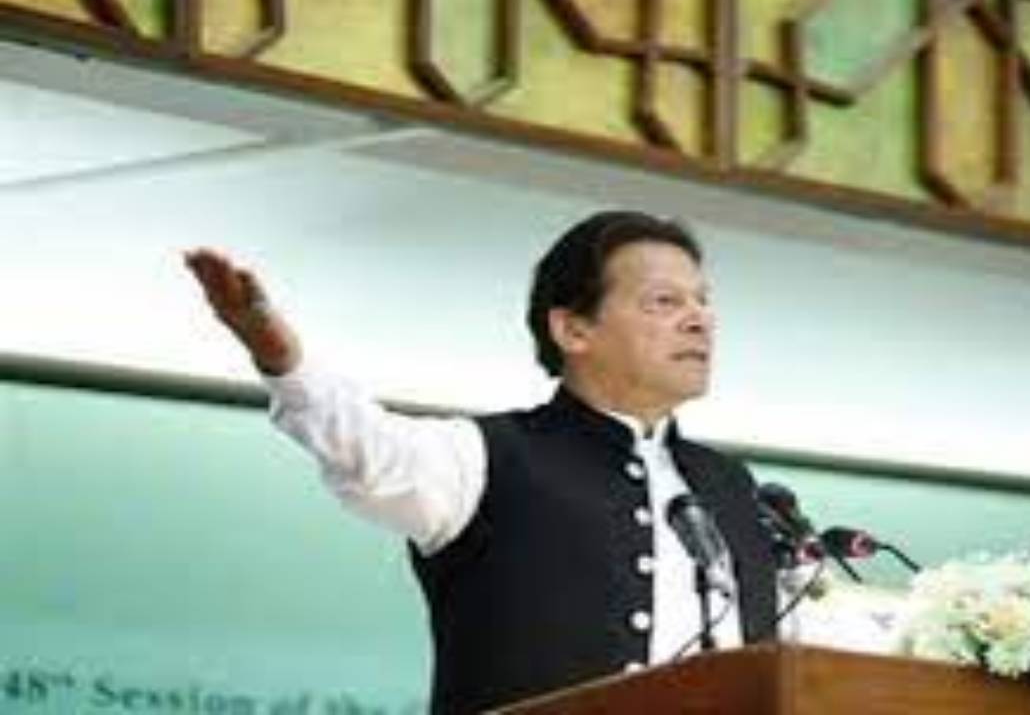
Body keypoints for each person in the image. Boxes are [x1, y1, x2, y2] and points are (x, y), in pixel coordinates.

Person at [185, 211, 778, 714]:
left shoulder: (732, 486)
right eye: (664, 302)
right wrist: (281, 358)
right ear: (573, 328)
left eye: (703, 301)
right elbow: (369, 450)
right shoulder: (488, 455)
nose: (700, 319)